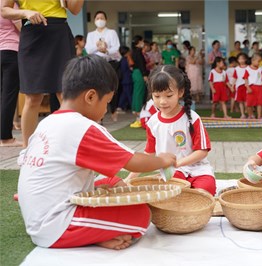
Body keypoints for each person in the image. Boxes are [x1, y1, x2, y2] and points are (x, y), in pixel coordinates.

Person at [17, 55, 176, 250]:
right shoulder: (83, 128)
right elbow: (133, 162)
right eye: (106, 103)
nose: (105, 111)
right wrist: (162, 160)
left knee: (111, 181)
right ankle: (94, 235)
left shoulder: (47, 123)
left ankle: (96, 232)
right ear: (91, 97)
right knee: (141, 215)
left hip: (38, 212)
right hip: (54, 226)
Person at [1, 0, 84, 147]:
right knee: (32, 97)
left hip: (59, 33)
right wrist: (24, 12)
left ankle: (72, 148)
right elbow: (4, 10)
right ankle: (28, 152)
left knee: (66, 95)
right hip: (32, 32)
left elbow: (75, 10)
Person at [133, 65, 216, 195]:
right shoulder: (153, 122)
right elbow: (149, 154)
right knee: (173, 191)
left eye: (169, 95)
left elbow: (202, 151)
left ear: (180, 92)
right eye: (157, 96)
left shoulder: (192, 118)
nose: (162, 102)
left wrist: (177, 163)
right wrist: (130, 178)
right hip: (172, 172)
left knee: (205, 190)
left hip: (198, 169)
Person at [0, 2, 21, 147]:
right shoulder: (10, 5)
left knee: (2, 95)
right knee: (9, 96)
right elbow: (22, 29)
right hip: (12, 51)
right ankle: (6, 138)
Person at [130, 35, 149, 129]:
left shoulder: (133, 51)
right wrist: (144, 75)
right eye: (142, 41)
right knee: (139, 93)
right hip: (139, 73)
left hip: (135, 73)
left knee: (136, 93)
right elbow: (142, 64)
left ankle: (136, 111)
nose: (143, 43)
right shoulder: (138, 52)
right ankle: (138, 112)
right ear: (139, 42)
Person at [243, 53, 262, 119]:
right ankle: (250, 115)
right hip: (251, 87)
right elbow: (245, 79)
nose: (259, 63)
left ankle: (259, 116)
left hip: (259, 87)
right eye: (258, 61)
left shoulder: (260, 69)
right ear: (253, 60)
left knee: (260, 103)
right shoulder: (247, 69)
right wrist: (247, 87)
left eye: (260, 61)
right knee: (249, 103)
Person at [231, 53, 249, 119]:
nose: (241, 60)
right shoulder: (236, 69)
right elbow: (235, 78)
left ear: (245, 59)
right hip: (239, 86)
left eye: (242, 58)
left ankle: (248, 112)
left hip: (246, 86)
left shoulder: (248, 68)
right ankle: (242, 114)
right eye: (239, 59)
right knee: (240, 101)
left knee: (247, 101)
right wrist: (232, 86)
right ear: (238, 60)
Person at [117, 46, 133, 112]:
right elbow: (126, 69)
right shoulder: (125, 60)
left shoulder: (123, 59)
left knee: (124, 93)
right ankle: (132, 107)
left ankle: (120, 106)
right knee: (128, 93)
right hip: (127, 79)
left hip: (125, 79)